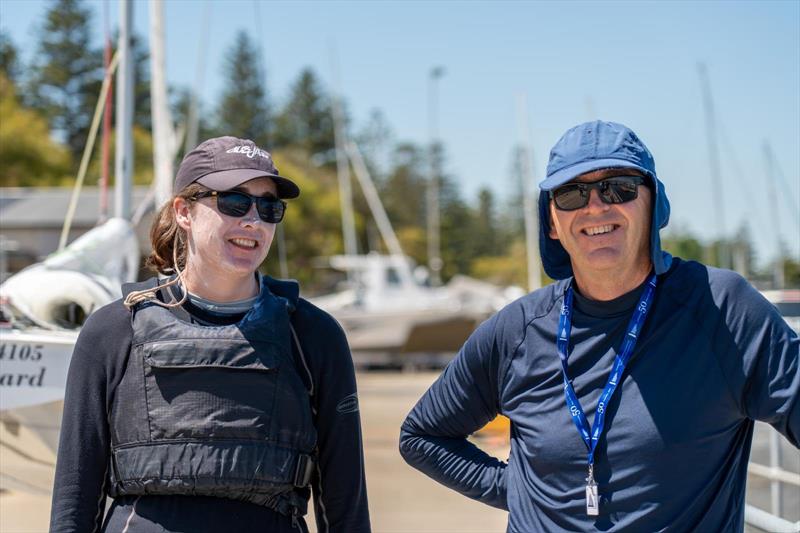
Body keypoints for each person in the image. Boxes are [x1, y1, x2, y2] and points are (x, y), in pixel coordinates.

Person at [399, 121, 799, 531]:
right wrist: (521, 491)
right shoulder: (517, 330)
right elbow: (422, 436)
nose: (595, 207)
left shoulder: (720, 308)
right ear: (552, 222)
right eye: (572, 194)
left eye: (618, 188)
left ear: (654, 203)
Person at [50, 136, 371, 533]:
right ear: (184, 211)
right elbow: (73, 502)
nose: (253, 220)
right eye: (235, 202)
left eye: (269, 207)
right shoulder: (114, 330)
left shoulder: (312, 335)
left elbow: (346, 504)